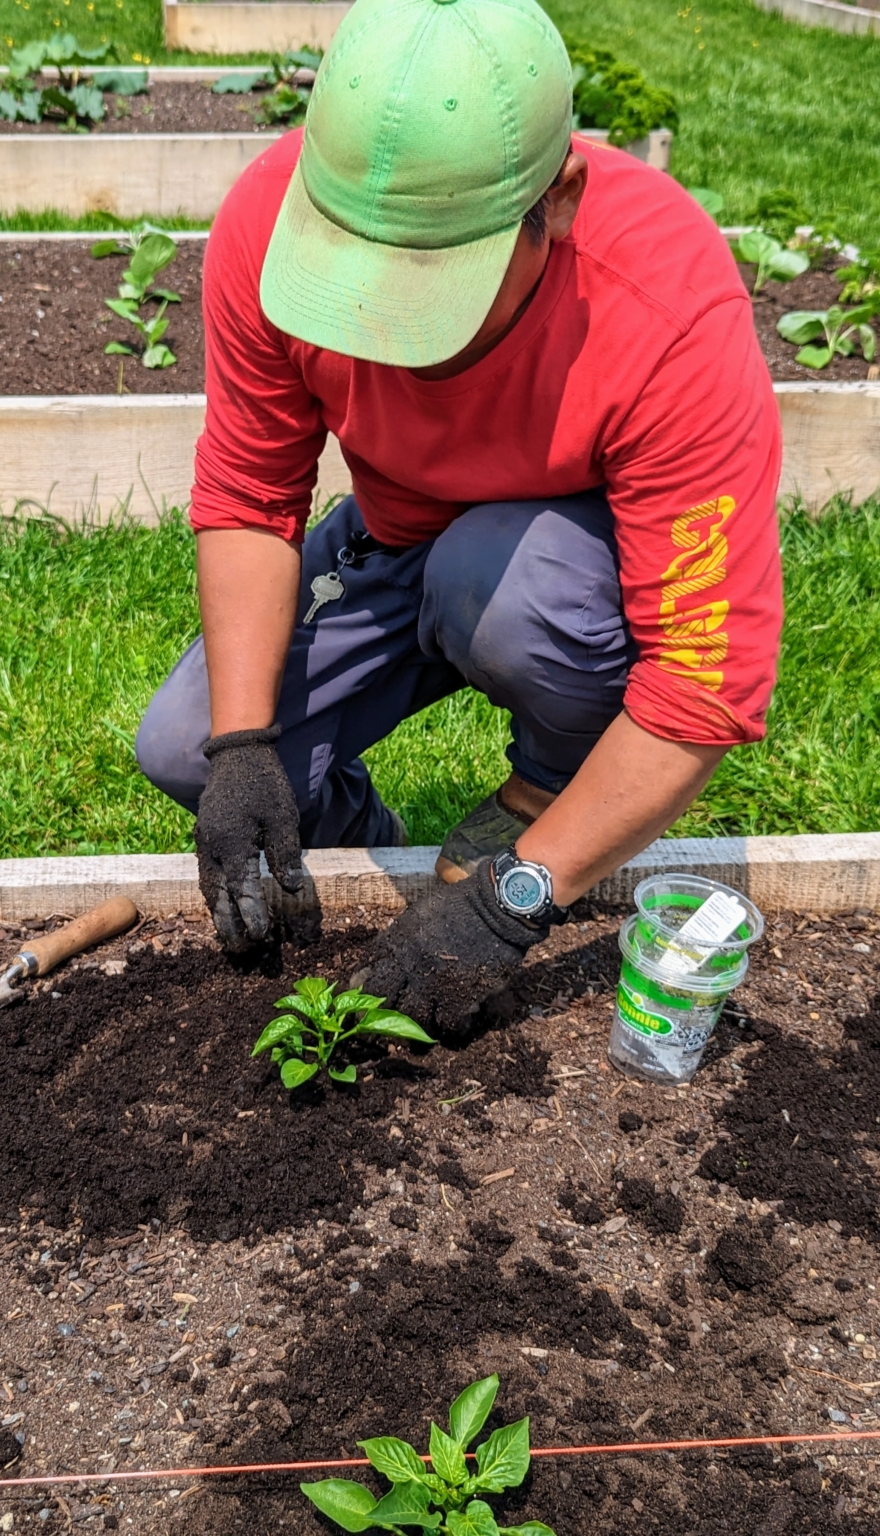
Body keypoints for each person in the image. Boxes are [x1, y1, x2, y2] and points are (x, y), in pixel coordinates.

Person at [136, 0, 782, 1025]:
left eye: (435, 280)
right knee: (180, 743)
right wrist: (241, 751)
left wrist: (510, 900)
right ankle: (364, 847)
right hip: (392, 540)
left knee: (500, 580)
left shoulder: (661, 303)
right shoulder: (266, 224)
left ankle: (547, 795)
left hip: (560, 574)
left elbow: (704, 682)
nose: (386, 329)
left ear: (556, 199)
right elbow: (251, 498)